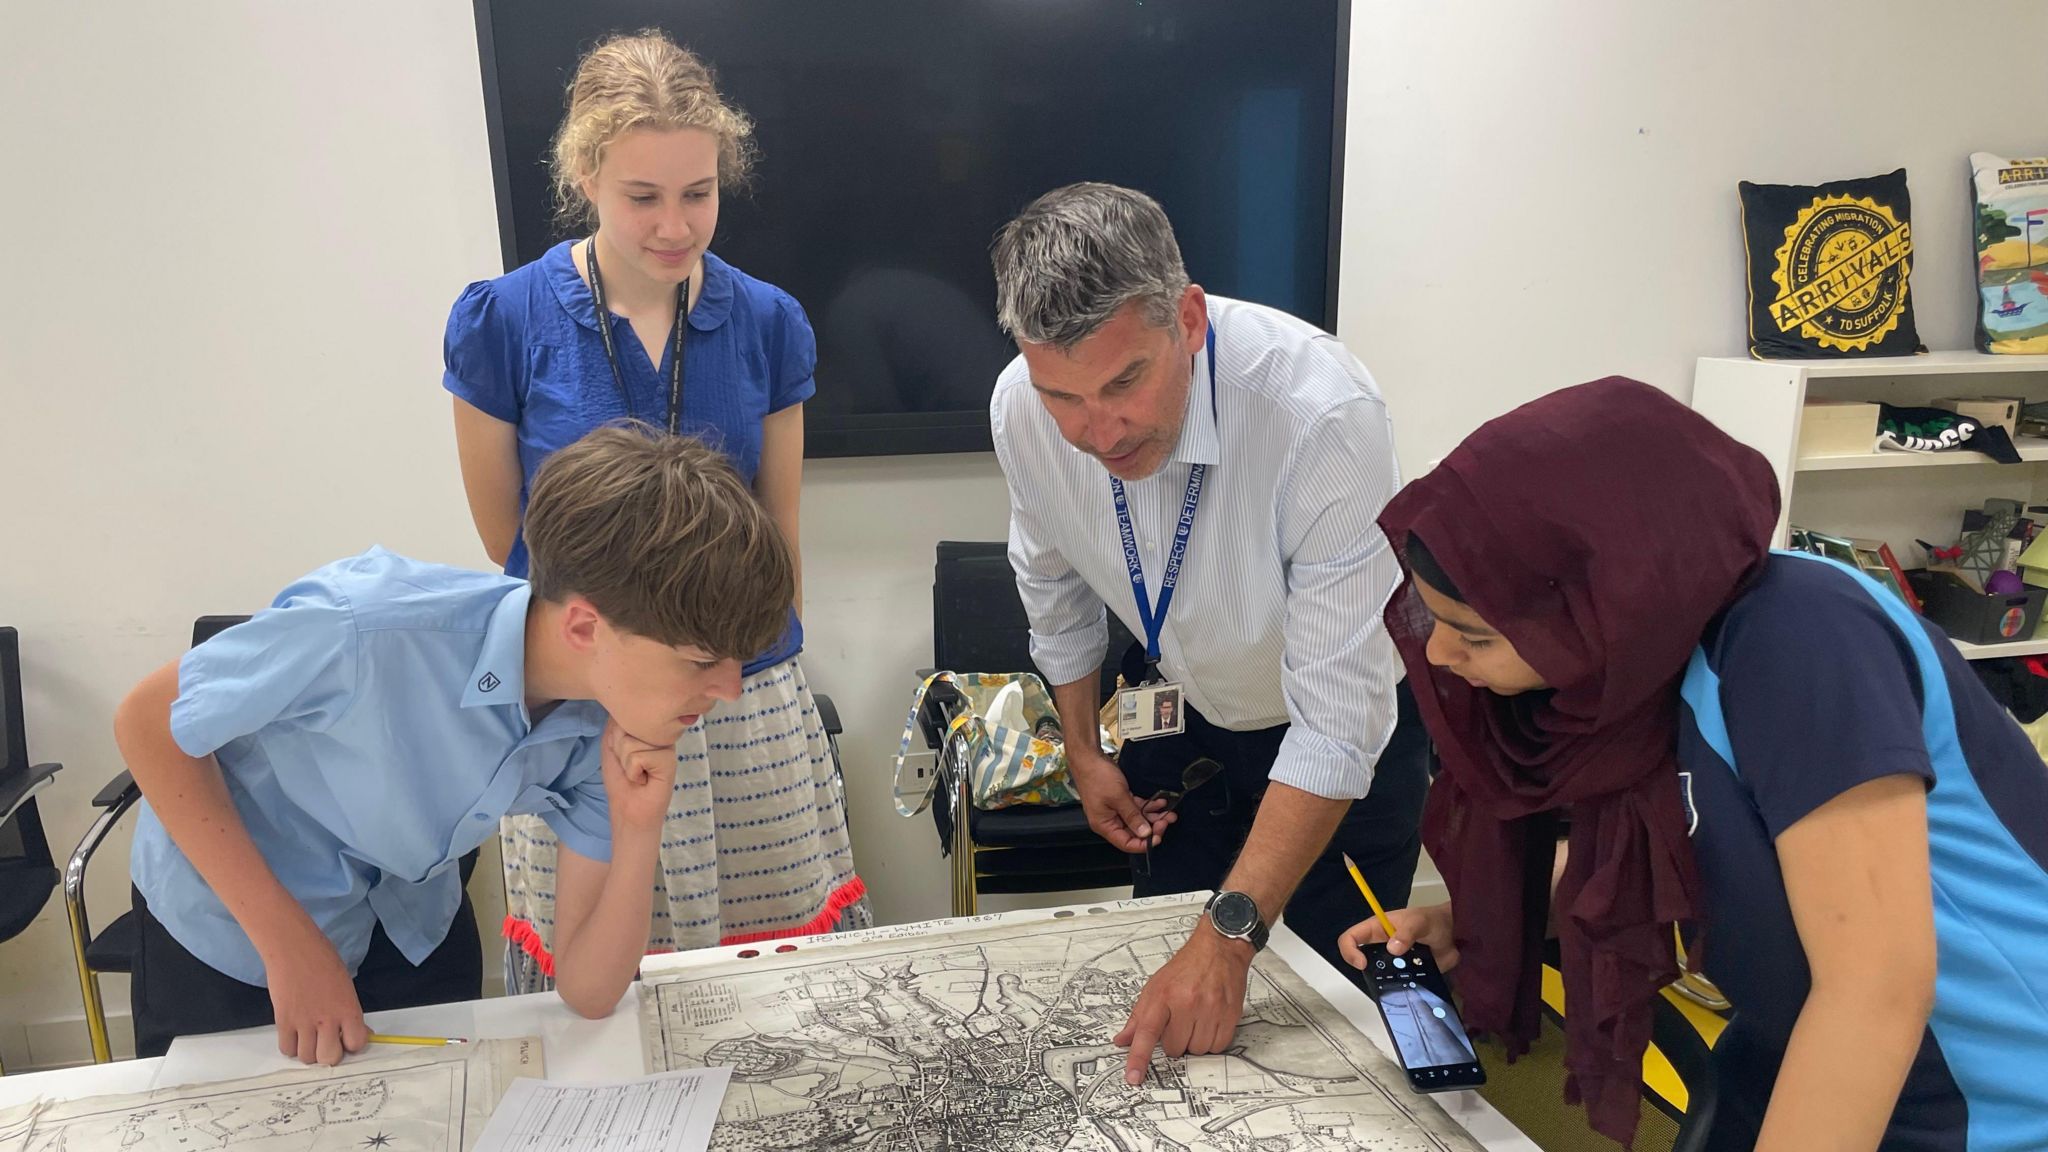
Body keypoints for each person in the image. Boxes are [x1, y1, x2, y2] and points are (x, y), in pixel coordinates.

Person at [1344, 377, 2048, 1150]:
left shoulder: (1798, 639)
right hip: (1785, 1048)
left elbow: (1876, 988)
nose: (1438, 658)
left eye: (1473, 637)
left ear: (1592, 604)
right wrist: (1462, 922)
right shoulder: (1638, 667)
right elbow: (1658, 854)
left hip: (1981, 1098)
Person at [115, 426, 794, 1062]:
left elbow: (589, 993)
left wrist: (640, 826)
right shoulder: (368, 625)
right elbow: (146, 724)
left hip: (411, 924)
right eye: (703, 660)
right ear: (585, 627)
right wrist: (290, 944)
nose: (731, 690)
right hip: (232, 922)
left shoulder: (608, 729)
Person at [442, 31, 867, 984]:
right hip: (582, 702)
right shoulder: (504, 320)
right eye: (643, 197)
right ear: (587, 175)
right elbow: (513, 541)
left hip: (739, 691)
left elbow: (778, 533)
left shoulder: (766, 321)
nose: (676, 225)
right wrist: (614, 676)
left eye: (698, 194)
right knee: (600, 982)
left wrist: (713, 665)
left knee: (774, 983)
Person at [988, 182, 1431, 1086]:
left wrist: (1230, 935)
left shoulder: (1322, 416)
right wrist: (1081, 748)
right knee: (1179, 1026)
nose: (1097, 429)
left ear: (1187, 320)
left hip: (1339, 738)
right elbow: (1052, 582)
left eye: (1124, 382)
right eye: (1062, 396)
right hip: (1182, 724)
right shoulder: (1019, 409)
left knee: (1331, 1040)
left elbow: (1340, 722)